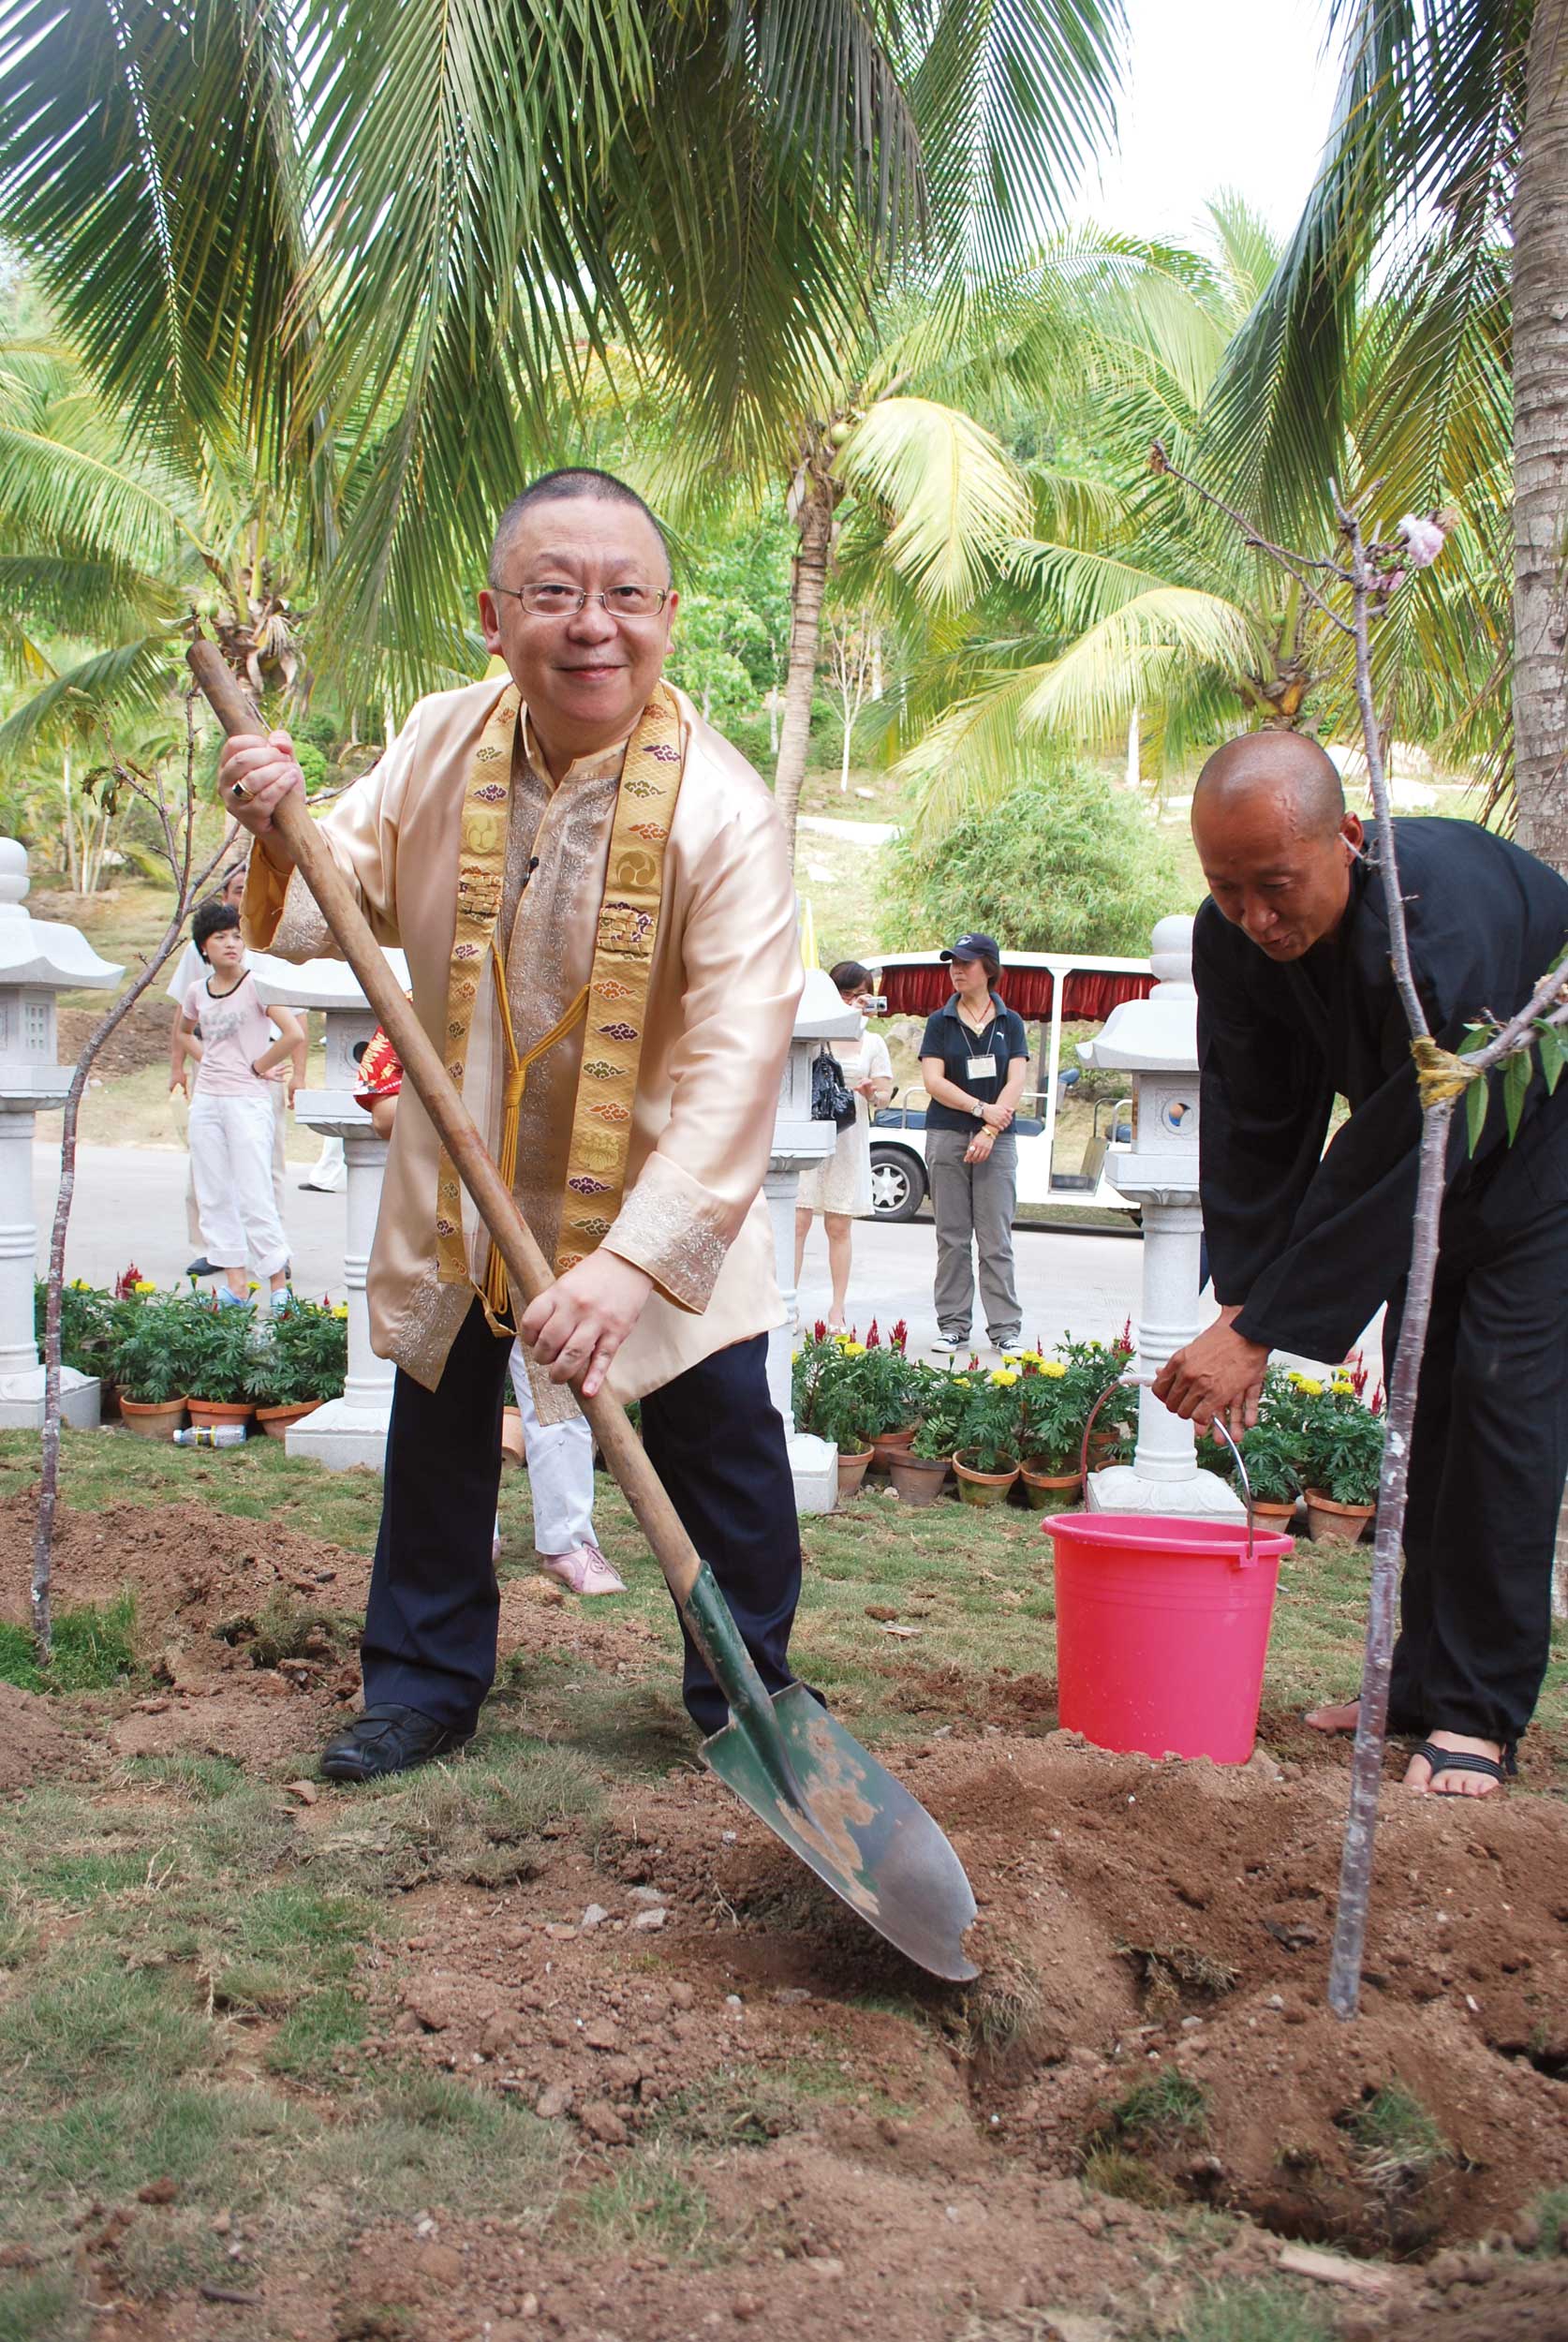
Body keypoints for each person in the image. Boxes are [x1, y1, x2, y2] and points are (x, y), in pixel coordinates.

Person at [219, 466, 806, 1781]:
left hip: (657, 1200)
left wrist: (625, 1265)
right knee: (436, 1439)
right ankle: (421, 1683)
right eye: (554, 593)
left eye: (624, 595)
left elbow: (733, 1067)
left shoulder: (723, 815)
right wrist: (278, 822)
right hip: (466, 1174)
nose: (592, 623)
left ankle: (744, 1694)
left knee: (721, 1446)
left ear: (669, 614)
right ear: (495, 615)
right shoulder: (441, 737)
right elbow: (339, 888)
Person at [1153, 732, 1568, 1800]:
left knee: (1501, 1404)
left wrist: (1256, 1333)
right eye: (1226, 887)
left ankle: (1477, 1713)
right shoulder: (1233, 938)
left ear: (1347, 837)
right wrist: (1246, 1288)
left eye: (1276, 885)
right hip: (1437, 1164)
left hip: (1546, 1160)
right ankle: (1417, 1688)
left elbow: (1398, 1145)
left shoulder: (1446, 933)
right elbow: (1254, 1116)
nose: (1256, 916)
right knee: (1425, 1405)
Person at [355, 1024, 626, 1596]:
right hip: (453, 1232)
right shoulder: (420, 1006)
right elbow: (382, 1111)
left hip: (548, 1231)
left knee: (558, 1386)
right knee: (451, 1394)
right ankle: (470, 1533)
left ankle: (570, 1541)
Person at [169, 858, 301, 1268]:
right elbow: (183, 1020)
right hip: (213, 1077)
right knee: (206, 1173)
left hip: (262, 1073)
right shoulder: (200, 954)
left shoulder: (272, 949)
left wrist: (291, 1072)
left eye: (253, 890)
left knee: (264, 1169)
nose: (246, 896)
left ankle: (271, 1255)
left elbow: (297, 1022)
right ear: (227, 896)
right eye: (240, 889)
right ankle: (214, 1252)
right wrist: (180, 1069)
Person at [918, 933, 1029, 1356]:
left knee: (996, 1238)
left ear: (989, 967)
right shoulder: (939, 1021)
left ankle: (1005, 1329)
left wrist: (989, 1130)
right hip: (947, 1134)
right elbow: (933, 1081)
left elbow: (1016, 1080)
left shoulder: (1010, 1021)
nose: (956, 970)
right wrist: (982, 1110)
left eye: (965, 963)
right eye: (952, 963)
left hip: (996, 1142)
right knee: (951, 1236)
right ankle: (953, 1325)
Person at [794, 960, 894, 1332]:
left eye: (860, 995)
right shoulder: (814, 1032)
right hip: (811, 1130)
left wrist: (872, 1092)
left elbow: (884, 1095)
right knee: (798, 1220)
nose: (853, 1002)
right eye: (845, 994)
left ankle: (837, 1309)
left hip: (850, 1135)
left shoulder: (873, 1042)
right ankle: (788, 1303)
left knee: (839, 1225)